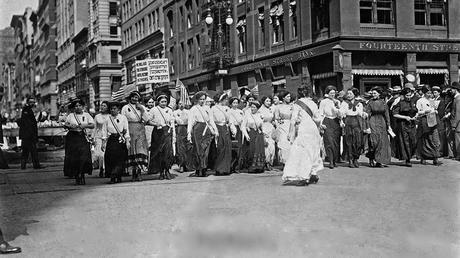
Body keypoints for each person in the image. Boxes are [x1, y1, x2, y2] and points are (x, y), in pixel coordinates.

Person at [282, 87, 323, 186]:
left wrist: (290, 134)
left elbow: (293, 120)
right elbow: (318, 119)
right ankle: (313, 173)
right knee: (313, 151)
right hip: (313, 129)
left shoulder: (297, 104)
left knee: (303, 152)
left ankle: (304, 177)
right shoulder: (313, 103)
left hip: (303, 129)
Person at [64, 99, 95, 185]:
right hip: (72, 137)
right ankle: (77, 175)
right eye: (76, 106)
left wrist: (85, 125)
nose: (78, 107)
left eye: (79, 106)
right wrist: (70, 125)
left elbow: (92, 125)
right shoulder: (71, 115)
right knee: (74, 157)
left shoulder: (87, 115)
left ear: (83, 107)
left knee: (84, 156)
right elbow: (65, 125)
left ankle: (82, 174)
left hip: (82, 137)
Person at [121, 91, 150, 181]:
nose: (134, 99)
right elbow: (122, 119)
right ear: (130, 98)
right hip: (130, 128)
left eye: (136, 97)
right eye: (133, 97)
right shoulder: (125, 107)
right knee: (132, 150)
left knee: (140, 150)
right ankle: (134, 172)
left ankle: (139, 172)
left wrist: (141, 109)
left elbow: (146, 119)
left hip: (140, 129)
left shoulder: (142, 107)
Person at [187, 91, 217, 177]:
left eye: (204, 99)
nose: (202, 101)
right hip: (197, 129)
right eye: (201, 99)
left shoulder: (208, 108)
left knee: (206, 150)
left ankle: (204, 169)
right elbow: (190, 122)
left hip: (206, 128)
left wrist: (215, 130)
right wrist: (189, 133)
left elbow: (211, 120)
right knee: (198, 150)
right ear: (197, 99)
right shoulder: (193, 109)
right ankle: (198, 169)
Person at [148, 95, 175, 179]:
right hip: (158, 132)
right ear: (158, 102)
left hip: (167, 132)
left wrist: (171, 129)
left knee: (167, 152)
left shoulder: (169, 110)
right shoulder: (154, 110)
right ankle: (160, 172)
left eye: (165, 102)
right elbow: (148, 120)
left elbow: (172, 121)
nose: (164, 103)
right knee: (159, 152)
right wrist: (156, 124)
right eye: (162, 102)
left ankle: (167, 170)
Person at [102, 101, 130, 184]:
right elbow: (104, 131)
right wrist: (104, 143)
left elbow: (126, 130)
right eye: (111, 109)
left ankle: (118, 175)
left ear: (118, 109)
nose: (113, 110)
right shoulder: (107, 119)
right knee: (111, 158)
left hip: (120, 139)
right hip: (111, 140)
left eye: (115, 109)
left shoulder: (123, 118)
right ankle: (113, 176)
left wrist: (128, 141)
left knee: (120, 158)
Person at [365, 87, 391, 167]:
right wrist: (367, 126)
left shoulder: (383, 102)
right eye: (372, 93)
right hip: (373, 121)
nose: (373, 95)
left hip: (382, 122)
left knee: (382, 142)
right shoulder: (370, 103)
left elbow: (386, 114)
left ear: (379, 94)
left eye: (375, 93)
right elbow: (367, 115)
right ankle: (371, 158)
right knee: (373, 141)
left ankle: (379, 160)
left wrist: (388, 125)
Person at [415, 86, 441, 165]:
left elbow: (434, 108)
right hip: (424, 121)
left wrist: (435, 111)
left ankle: (435, 157)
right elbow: (418, 112)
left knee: (435, 139)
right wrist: (425, 111)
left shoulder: (432, 100)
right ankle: (423, 157)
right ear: (424, 93)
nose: (430, 95)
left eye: (431, 93)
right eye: (428, 93)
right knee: (425, 139)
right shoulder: (420, 101)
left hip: (433, 120)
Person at [340, 88, 365, 168]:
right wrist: (342, 120)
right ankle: (350, 159)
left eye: (350, 94)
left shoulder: (359, 104)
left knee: (357, 141)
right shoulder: (344, 103)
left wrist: (364, 114)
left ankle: (356, 158)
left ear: (354, 94)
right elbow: (341, 113)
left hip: (356, 121)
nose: (349, 95)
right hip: (348, 121)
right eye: (348, 94)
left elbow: (360, 113)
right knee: (349, 141)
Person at [392, 88, 418, 167]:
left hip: (412, 124)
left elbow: (416, 111)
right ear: (403, 95)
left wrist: (415, 116)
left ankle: (411, 155)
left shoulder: (413, 102)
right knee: (405, 141)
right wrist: (405, 117)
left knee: (413, 140)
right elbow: (394, 114)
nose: (408, 97)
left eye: (410, 95)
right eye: (407, 95)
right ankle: (407, 159)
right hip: (403, 124)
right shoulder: (400, 103)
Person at [319, 86, 342, 169]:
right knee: (329, 142)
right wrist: (321, 124)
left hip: (335, 122)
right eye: (331, 93)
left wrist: (338, 107)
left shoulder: (338, 102)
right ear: (327, 94)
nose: (332, 94)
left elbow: (341, 114)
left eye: (334, 93)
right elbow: (321, 113)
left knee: (336, 142)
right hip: (327, 121)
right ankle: (331, 161)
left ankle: (335, 160)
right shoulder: (323, 102)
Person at [18, 97, 44, 169]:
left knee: (29, 150)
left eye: (33, 102)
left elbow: (34, 121)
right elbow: (28, 123)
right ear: (28, 102)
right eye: (31, 102)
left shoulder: (30, 109)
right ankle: (34, 165)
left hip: (29, 134)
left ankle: (26, 166)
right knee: (30, 150)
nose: (32, 103)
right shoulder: (26, 110)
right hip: (28, 135)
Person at [210, 92, 232, 175]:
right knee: (220, 148)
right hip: (218, 128)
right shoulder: (213, 108)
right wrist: (215, 130)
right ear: (221, 100)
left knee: (227, 147)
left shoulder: (227, 108)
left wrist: (232, 129)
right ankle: (219, 169)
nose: (226, 101)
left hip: (225, 128)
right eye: (225, 99)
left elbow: (230, 120)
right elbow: (211, 120)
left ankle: (226, 169)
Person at [240, 101, 265, 173]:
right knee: (252, 150)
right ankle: (251, 167)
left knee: (259, 150)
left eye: (254, 107)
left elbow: (261, 125)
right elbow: (243, 127)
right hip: (251, 134)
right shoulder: (247, 115)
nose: (252, 109)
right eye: (251, 107)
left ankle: (259, 167)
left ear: (257, 108)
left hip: (258, 134)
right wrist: (246, 135)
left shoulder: (260, 115)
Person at [274, 91, 293, 165]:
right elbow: (276, 118)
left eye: (289, 96)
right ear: (283, 98)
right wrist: (278, 126)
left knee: (290, 143)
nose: (289, 98)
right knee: (283, 143)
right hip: (282, 126)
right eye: (287, 97)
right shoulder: (278, 107)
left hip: (291, 126)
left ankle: (291, 162)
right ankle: (284, 162)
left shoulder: (292, 106)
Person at [173, 100, 193, 172]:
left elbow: (190, 121)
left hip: (186, 128)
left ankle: (188, 165)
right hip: (179, 129)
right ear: (177, 104)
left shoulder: (188, 112)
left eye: (182, 103)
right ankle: (181, 165)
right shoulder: (175, 112)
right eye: (180, 103)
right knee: (180, 148)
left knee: (188, 147)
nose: (181, 105)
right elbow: (177, 121)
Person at [228, 97, 245, 173]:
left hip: (240, 129)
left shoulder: (240, 111)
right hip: (233, 130)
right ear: (231, 103)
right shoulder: (229, 111)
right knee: (233, 148)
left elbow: (243, 121)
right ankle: (231, 166)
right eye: (234, 103)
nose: (235, 104)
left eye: (236, 103)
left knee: (239, 148)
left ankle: (238, 166)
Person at [93, 101, 109, 177]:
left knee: (107, 154)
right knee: (100, 155)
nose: (102, 107)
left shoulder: (110, 116)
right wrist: (93, 138)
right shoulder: (97, 116)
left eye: (104, 106)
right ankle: (101, 169)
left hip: (108, 137)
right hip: (98, 137)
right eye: (101, 105)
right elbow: (94, 128)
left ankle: (106, 169)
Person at [259, 96, 276, 169]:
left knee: (272, 145)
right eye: (267, 101)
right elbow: (259, 122)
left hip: (270, 128)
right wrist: (262, 132)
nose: (268, 103)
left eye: (269, 101)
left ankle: (270, 162)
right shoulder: (260, 110)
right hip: (264, 127)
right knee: (266, 146)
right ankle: (266, 162)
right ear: (263, 102)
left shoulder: (271, 109)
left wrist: (274, 123)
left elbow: (273, 119)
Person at [449, 82, 460, 160]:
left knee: (458, 139)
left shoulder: (458, 99)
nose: (451, 90)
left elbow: (457, 114)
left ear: (455, 89)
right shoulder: (456, 98)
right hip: (457, 123)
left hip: (458, 124)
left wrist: (454, 125)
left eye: (452, 89)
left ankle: (458, 155)